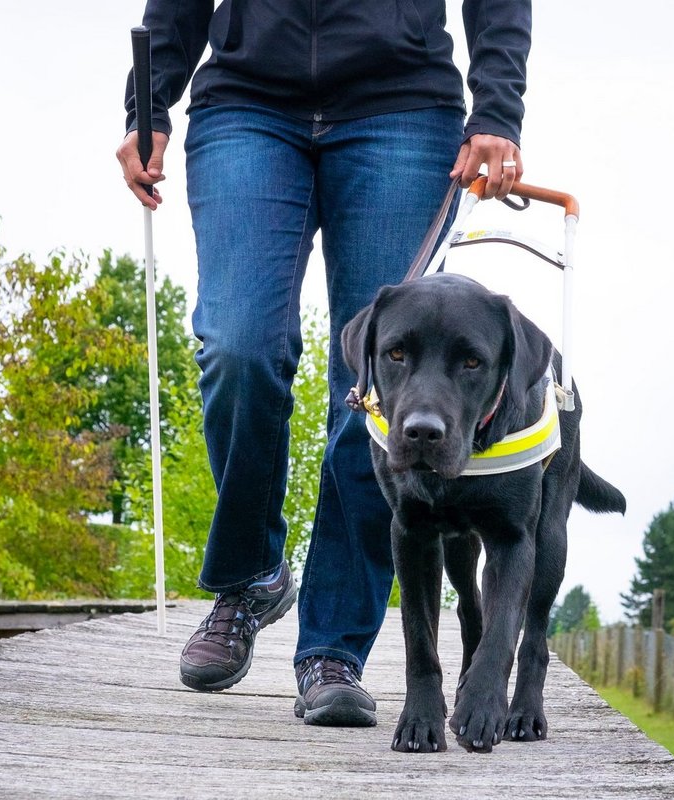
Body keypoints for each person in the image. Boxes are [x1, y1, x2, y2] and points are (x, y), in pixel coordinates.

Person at [116, 0, 531, 727]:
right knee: (238, 346)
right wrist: (147, 103)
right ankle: (251, 576)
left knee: (377, 396)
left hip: (402, 106)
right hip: (246, 101)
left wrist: (497, 107)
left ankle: (334, 651)